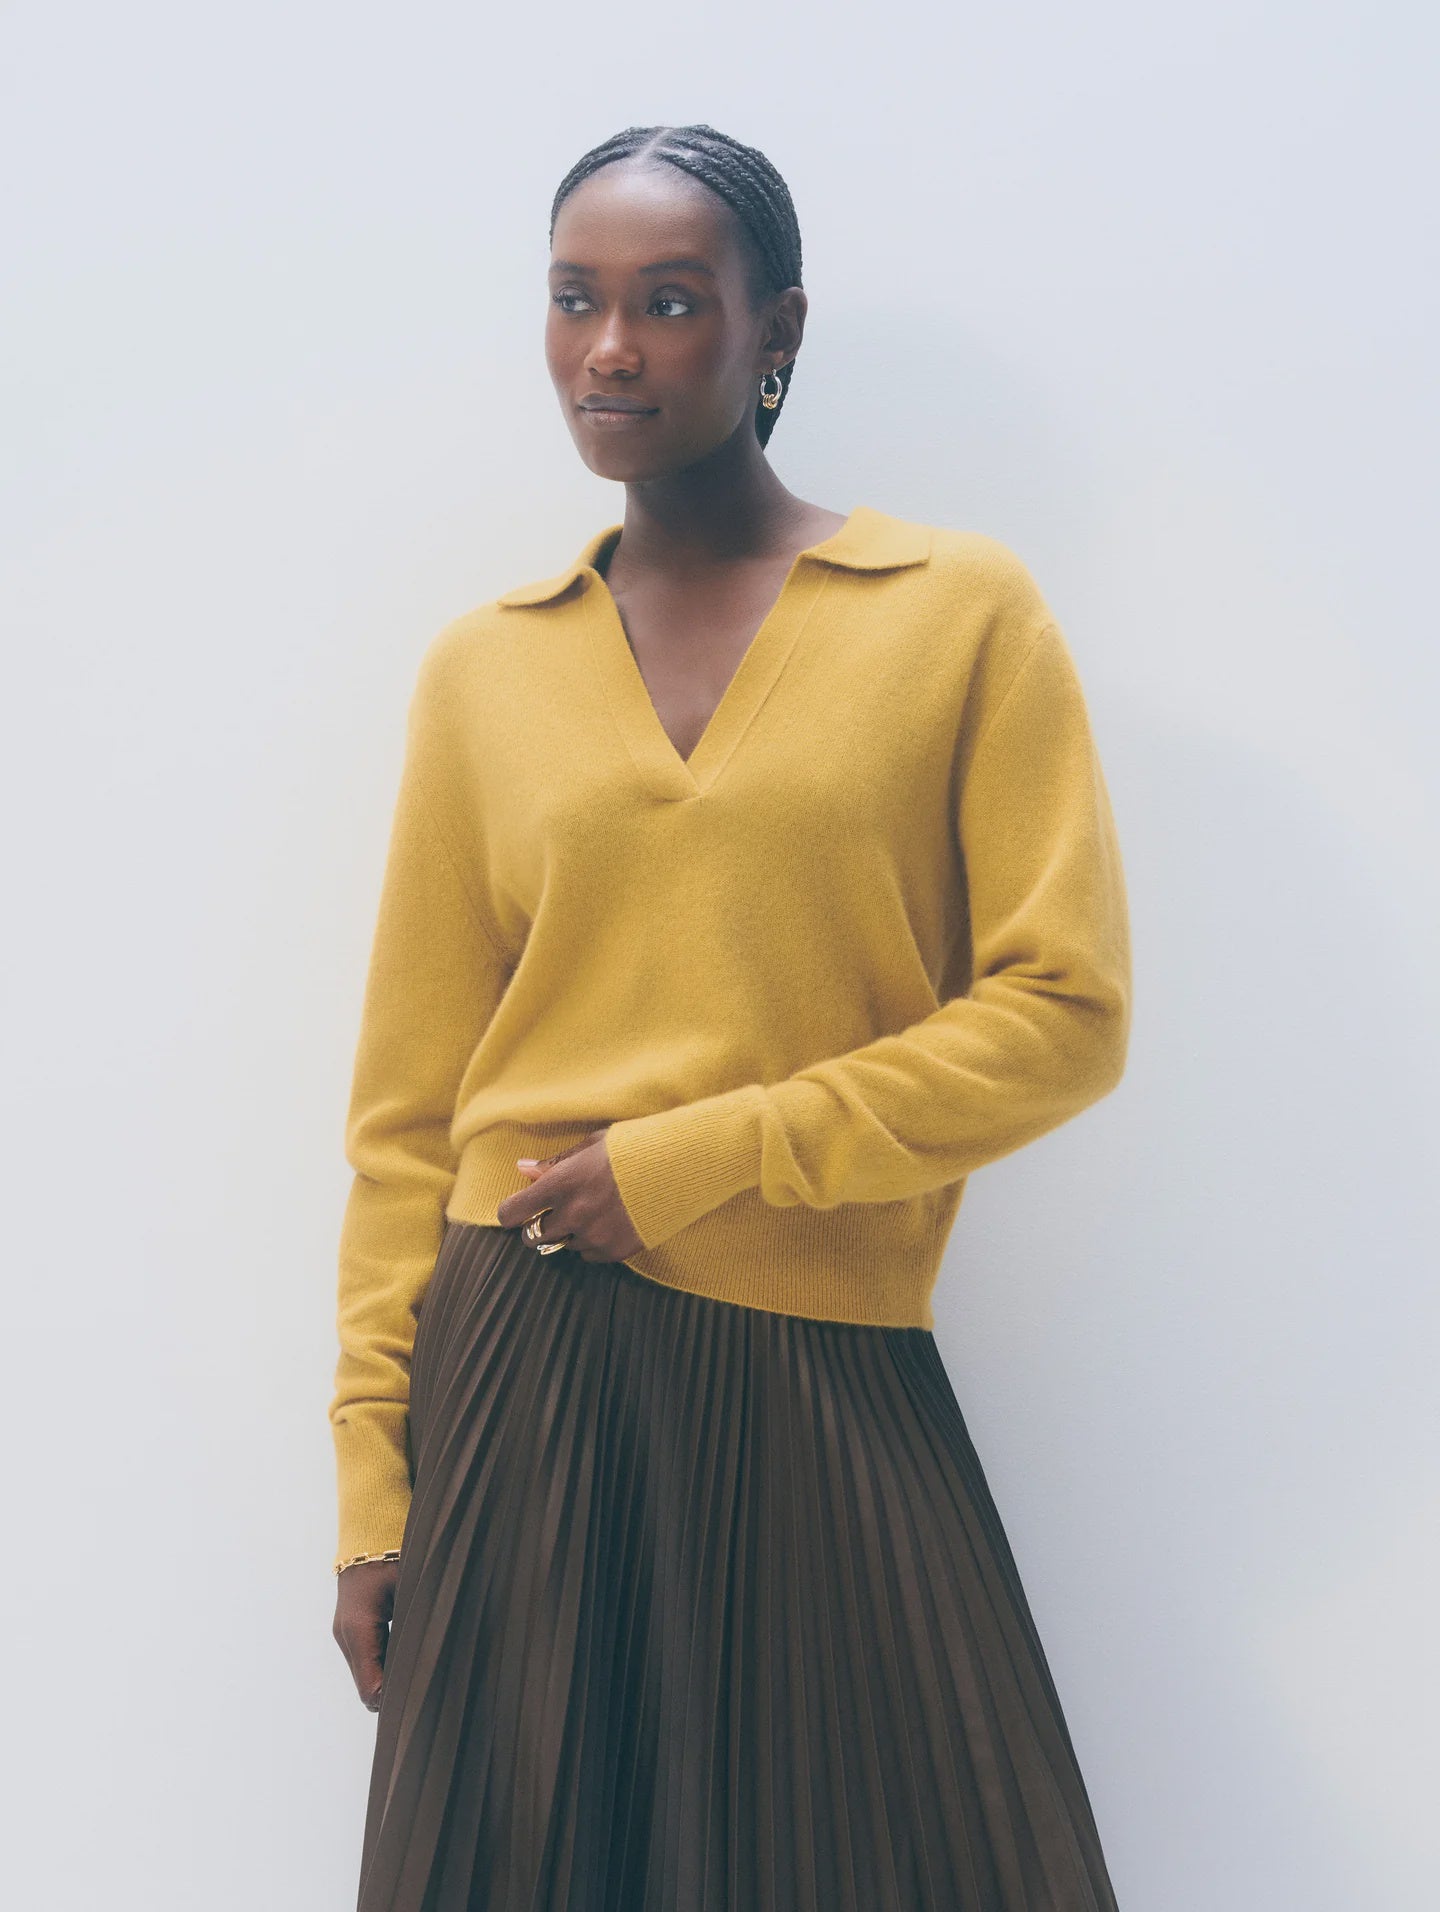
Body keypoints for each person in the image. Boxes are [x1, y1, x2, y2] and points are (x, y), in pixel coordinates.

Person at [329, 120, 1132, 1912]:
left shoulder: (955, 615)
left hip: (816, 1350)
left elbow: (1066, 1010)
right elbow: (403, 1118)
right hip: (523, 1360)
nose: (609, 349)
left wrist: (701, 1159)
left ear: (775, 333)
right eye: (574, 302)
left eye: (669, 304)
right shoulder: (491, 666)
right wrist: (373, 1494)